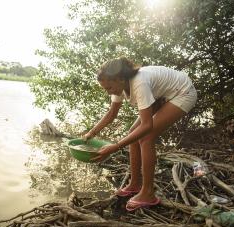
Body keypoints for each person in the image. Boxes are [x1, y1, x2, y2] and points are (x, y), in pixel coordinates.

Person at [83, 57, 197, 211]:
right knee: (133, 133)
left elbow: (147, 126)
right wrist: (91, 133)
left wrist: (115, 147)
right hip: (163, 95)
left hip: (183, 93)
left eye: (109, 87)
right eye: (105, 89)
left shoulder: (139, 83)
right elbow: (111, 114)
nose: (108, 92)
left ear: (120, 79)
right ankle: (135, 184)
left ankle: (148, 193)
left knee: (145, 136)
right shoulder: (119, 85)